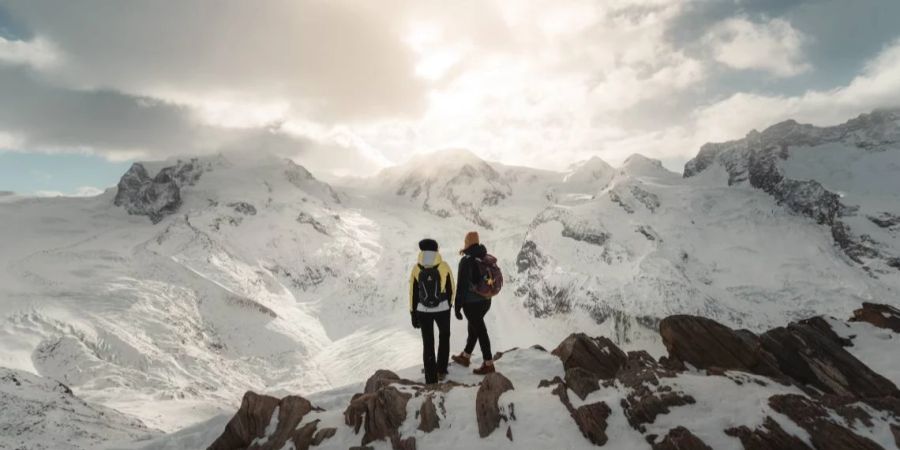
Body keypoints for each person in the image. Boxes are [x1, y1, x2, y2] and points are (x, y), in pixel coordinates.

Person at [409, 238, 454, 384]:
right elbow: (451, 287)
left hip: (423, 310)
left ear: (422, 251)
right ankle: (441, 369)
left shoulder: (416, 268)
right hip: (443, 308)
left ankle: (430, 378)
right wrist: (449, 305)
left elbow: (413, 293)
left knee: (428, 343)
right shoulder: (444, 265)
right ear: (436, 251)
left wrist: (413, 313)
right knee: (444, 337)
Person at [451, 231, 495, 375]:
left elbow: (462, 286)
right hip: (486, 301)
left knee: (480, 330)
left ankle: (488, 363)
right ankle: (466, 356)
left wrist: (457, 307)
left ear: (467, 243)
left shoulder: (466, 260)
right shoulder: (484, 257)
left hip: (471, 304)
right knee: (475, 327)